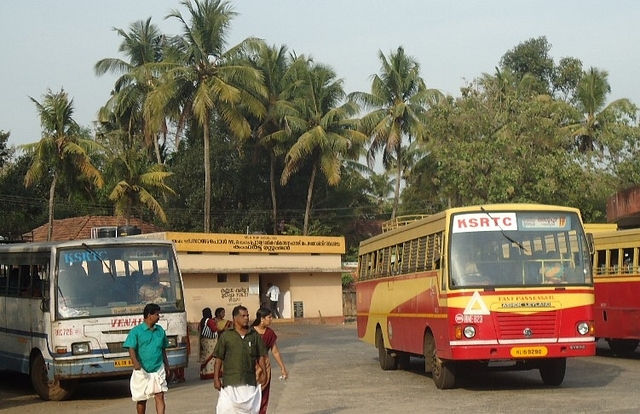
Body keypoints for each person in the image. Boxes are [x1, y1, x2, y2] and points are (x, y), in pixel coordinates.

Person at [213, 305, 268, 414]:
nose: (246, 318)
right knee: (229, 409)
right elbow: (218, 358)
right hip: (231, 381)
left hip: (249, 381)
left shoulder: (254, 335)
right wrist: (216, 378)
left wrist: (264, 373)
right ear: (235, 318)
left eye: (247, 315)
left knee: (249, 410)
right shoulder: (226, 336)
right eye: (243, 316)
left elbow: (260, 356)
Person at [123, 303, 170, 414]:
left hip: (158, 367)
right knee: (141, 399)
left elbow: (163, 349)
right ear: (149, 315)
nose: (159, 317)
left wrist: (167, 365)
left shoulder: (160, 331)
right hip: (142, 370)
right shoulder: (136, 331)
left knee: (160, 395)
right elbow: (131, 348)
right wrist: (135, 362)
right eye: (157, 314)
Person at [252, 307, 289, 414]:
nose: (271, 319)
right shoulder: (250, 332)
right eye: (269, 317)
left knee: (263, 393)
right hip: (251, 365)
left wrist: (283, 368)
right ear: (262, 319)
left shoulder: (270, 333)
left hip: (265, 365)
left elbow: (275, 351)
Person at [199, 307, 219, 380]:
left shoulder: (202, 321)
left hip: (204, 340)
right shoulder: (210, 321)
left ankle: (204, 372)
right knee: (212, 356)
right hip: (211, 340)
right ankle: (211, 373)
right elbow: (214, 329)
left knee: (205, 356)